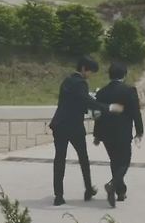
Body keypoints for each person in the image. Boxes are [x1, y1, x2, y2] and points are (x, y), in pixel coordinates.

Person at [49, 56, 123, 206]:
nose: (90, 75)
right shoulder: (81, 83)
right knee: (83, 158)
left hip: (59, 124)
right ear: (83, 68)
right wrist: (108, 107)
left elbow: (72, 101)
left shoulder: (67, 81)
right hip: (74, 126)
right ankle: (88, 189)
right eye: (90, 72)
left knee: (59, 160)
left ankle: (58, 196)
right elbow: (86, 101)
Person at [92, 62, 144, 208]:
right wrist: (139, 131)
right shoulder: (129, 91)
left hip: (106, 134)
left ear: (109, 75)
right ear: (125, 74)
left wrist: (97, 135)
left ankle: (120, 192)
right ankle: (113, 184)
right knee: (124, 161)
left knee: (114, 161)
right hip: (123, 133)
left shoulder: (101, 93)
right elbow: (135, 112)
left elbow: (98, 115)